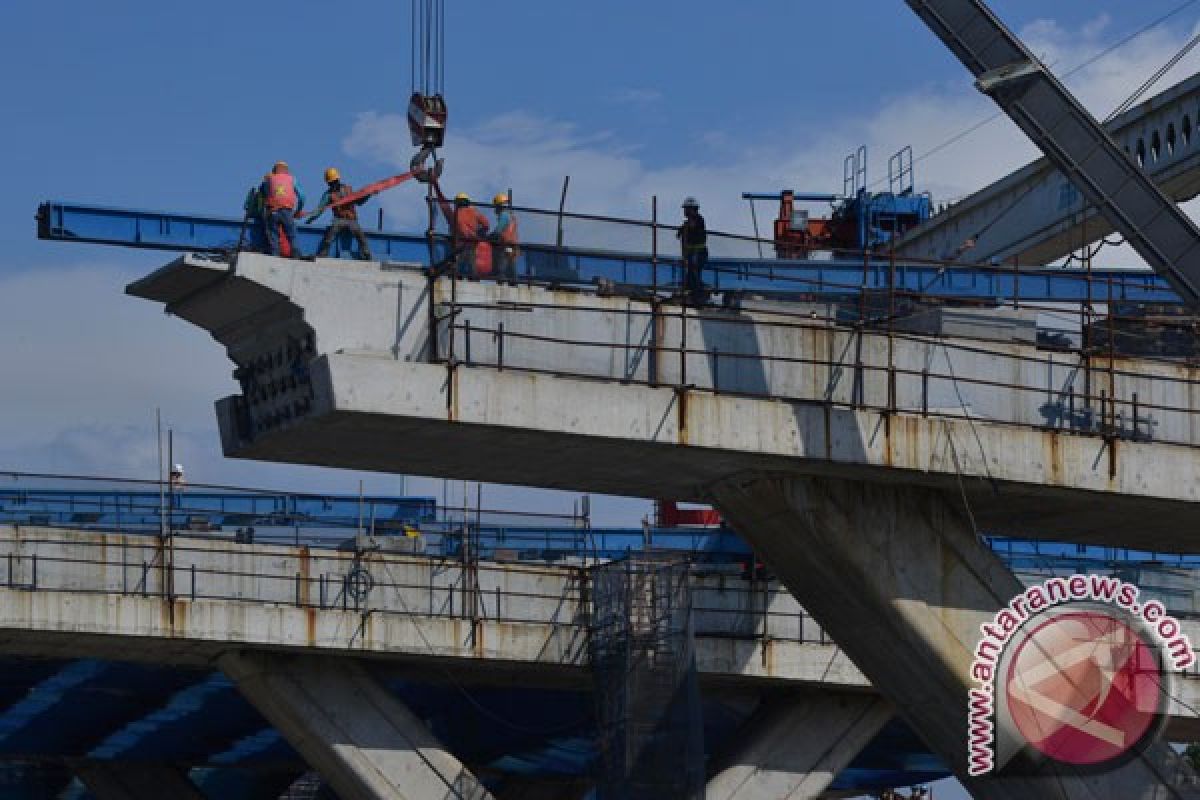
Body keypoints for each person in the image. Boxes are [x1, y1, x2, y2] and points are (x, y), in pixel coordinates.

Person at [307, 167, 373, 261]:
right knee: (330, 236)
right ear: (328, 183)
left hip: (351, 219)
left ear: (338, 180)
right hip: (339, 219)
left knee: (361, 237)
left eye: (334, 181)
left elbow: (359, 201)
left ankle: (367, 255)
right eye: (331, 182)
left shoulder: (348, 190)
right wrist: (311, 219)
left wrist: (368, 194)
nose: (333, 184)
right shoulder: (328, 195)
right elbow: (320, 209)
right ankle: (323, 254)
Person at [435, 187, 491, 277]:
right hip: (472, 241)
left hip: (460, 242)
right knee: (471, 260)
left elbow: (456, 227)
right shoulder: (474, 212)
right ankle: (473, 277)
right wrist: (479, 233)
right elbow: (486, 224)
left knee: (458, 261)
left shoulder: (456, 214)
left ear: (457, 202)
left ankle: (456, 276)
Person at [262, 161, 306, 258]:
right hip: (287, 211)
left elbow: (264, 193)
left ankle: (275, 257)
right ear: (287, 170)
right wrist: (298, 211)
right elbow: (302, 197)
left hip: (272, 212)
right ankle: (296, 256)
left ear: (274, 170)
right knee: (292, 235)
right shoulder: (292, 179)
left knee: (273, 236)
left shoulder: (269, 179)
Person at [677, 196, 709, 305]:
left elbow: (692, 226)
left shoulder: (699, 219)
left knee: (694, 274)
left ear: (692, 209)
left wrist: (684, 227)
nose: (684, 211)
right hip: (692, 254)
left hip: (699, 253)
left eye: (686, 209)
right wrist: (681, 229)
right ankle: (693, 296)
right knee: (690, 275)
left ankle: (699, 297)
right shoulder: (689, 222)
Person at [491, 192, 520, 285]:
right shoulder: (512, 216)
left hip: (505, 243)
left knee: (501, 265)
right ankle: (513, 283)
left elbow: (499, 229)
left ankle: (501, 282)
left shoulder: (504, 215)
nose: (495, 209)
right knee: (511, 265)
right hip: (513, 245)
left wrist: (491, 236)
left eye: (496, 206)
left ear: (499, 206)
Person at [242, 175, 269, 252]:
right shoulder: (257, 192)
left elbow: (246, 207)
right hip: (260, 218)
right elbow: (247, 207)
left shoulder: (258, 192)